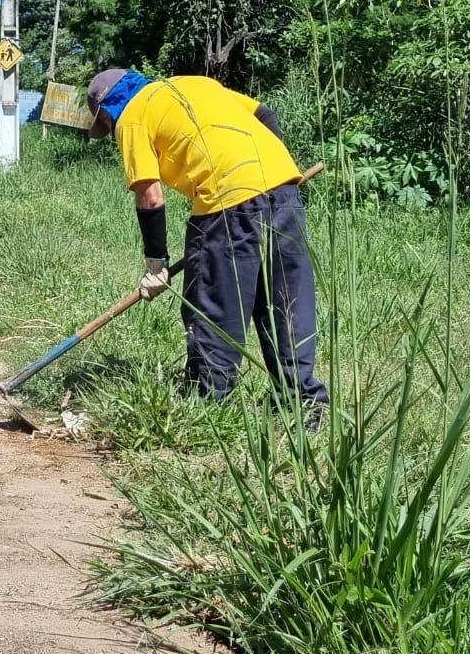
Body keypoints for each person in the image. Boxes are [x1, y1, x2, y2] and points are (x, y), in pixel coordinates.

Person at [85, 68, 328, 419]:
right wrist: (272, 174)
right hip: (283, 187)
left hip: (226, 200)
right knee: (286, 299)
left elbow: (150, 196)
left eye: (106, 124)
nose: (110, 131)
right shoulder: (193, 83)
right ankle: (304, 403)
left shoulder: (132, 117)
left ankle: (209, 401)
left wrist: (156, 263)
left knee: (214, 300)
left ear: (107, 110)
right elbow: (264, 114)